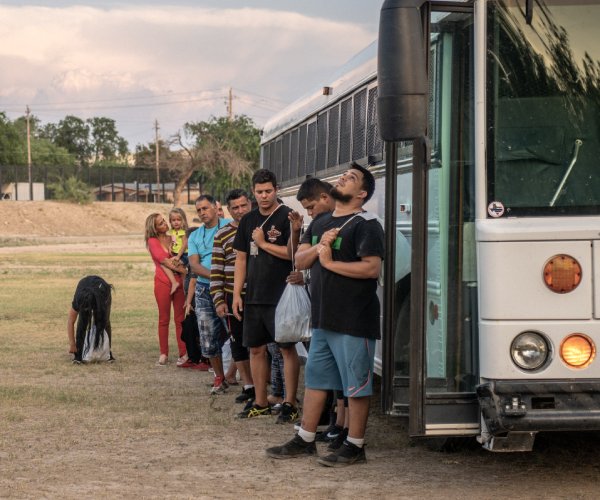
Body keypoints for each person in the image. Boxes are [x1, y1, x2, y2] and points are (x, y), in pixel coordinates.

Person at [266, 162, 384, 467]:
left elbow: (371, 268)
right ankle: (305, 438)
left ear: (361, 194)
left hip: (354, 320)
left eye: (351, 178)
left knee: (356, 385)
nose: (343, 178)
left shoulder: (367, 224)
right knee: (317, 380)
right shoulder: (321, 223)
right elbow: (300, 259)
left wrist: (330, 264)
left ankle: (355, 445)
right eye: (343, 175)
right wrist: (321, 250)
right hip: (322, 319)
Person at [232, 168, 300, 422]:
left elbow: (292, 255)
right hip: (254, 296)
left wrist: (262, 244)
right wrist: (237, 293)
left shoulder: (286, 216)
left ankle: (289, 403)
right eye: (259, 192)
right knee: (256, 350)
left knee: (286, 348)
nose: (264, 196)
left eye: (268, 191)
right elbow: (241, 258)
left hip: (281, 295)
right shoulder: (248, 220)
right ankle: (260, 402)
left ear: (277, 189)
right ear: (253, 192)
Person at [210, 188, 255, 403]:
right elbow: (216, 270)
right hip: (232, 297)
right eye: (235, 207)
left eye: (243, 205)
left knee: (260, 344)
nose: (240, 210)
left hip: (259, 296)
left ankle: (267, 385)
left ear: (250, 204)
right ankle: (248, 385)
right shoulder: (222, 234)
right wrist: (218, 300)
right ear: (228, 210)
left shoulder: (260, 228)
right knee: (238, 343)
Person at [188, 194, 232, 394]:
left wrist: (223, 280)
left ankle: (243, 379)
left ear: (216, 207)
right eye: (198, 210)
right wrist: (216, 277)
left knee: (237, 334)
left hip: (229, 288)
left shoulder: (230, 226)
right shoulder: (195, 236)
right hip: (205, 290)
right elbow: (195, 265)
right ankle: (219, 377)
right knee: (207, 337)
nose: (202, 213)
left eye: (205, 208)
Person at [145, 213, 188, 365]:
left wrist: (181, 270)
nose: (165, 223)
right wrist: (185, 270)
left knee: (180, 319)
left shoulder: (173, 237)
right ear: (155, 228)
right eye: (161, 223)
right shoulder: (152, 241)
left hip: (178, 281)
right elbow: (164, 261)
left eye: (164, 220)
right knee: (164, 319)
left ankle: (183, 352)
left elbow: (180, 255)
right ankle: (163, 353)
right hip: (162, 283)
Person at [67, 275, 115, 363]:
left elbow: (106, 323)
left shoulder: (104, 294)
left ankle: (108, 353)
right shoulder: (79, 298)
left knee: (104, 320)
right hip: (85, 287)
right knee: (83, 321)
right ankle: (79, 354)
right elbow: (71, 320)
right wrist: (72, 344)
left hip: (102, 289)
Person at [161, 207, 189, 295]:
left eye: (178, 220)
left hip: (184, 254)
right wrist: (170, 247)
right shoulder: (172, 232)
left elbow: (185, 245)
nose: (176, 222)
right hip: (176, 253)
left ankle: (185, 292)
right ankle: (183, 291)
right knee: (182, 274)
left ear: (183, 220)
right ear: (170, 221)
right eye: (173, 220)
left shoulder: (183, 232)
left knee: (167, 264)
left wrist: (178, 256)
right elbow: (173, 242)